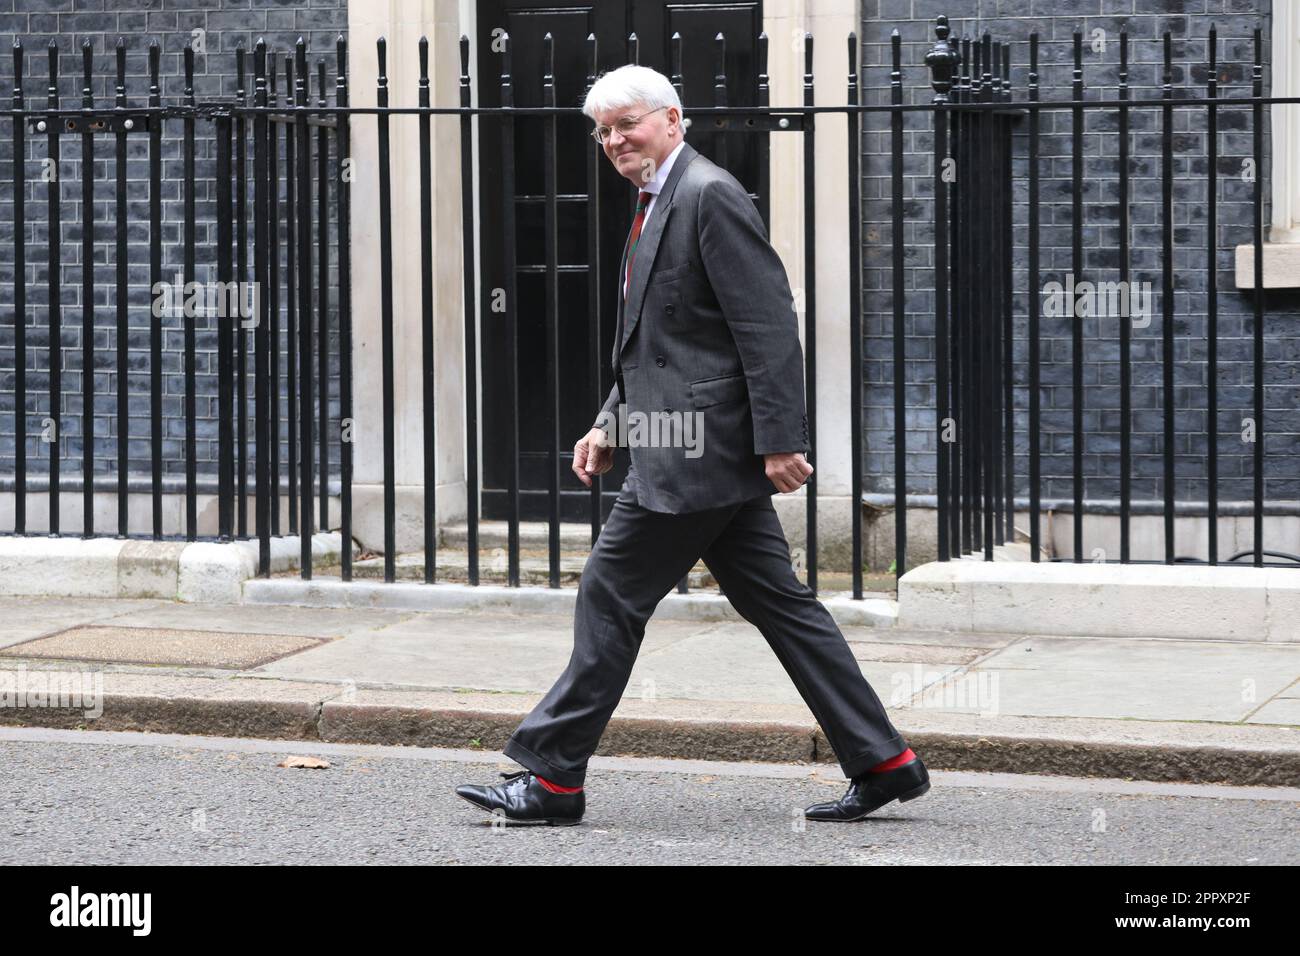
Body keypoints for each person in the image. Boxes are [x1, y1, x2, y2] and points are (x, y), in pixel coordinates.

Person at [456, 64, 927, 826]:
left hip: (697, 454)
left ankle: (552, 780)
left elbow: (768, 326)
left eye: (627, 124)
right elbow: (662, 341)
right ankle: (885, 760)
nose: (614, 141)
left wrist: (779, 440)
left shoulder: (709, 195)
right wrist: (611, 422)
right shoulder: (654, 200)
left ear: (673, 120)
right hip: (679, 441)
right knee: (782, 606)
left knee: (609, 592)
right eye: (603, 131)